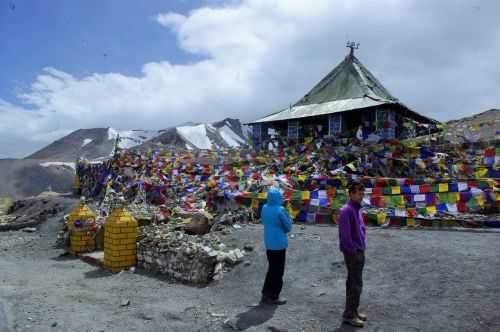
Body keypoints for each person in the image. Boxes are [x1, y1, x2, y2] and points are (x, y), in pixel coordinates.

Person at [338, 181, 367, 327]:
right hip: (353, 253)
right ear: (351, 194)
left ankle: (354, 311)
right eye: (359, 193)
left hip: (359, 249)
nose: (361, 196)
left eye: (362, 193)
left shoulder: (356, 209)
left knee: (357, 283)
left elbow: (360, 229)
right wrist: (353, 251)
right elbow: (345, 236)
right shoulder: (346, 211)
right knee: (354, 284)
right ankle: (349, 315)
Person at [260, 187, 293, 305]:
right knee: (278, 271)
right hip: (279, 244)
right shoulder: (281, 210)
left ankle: (265, 293)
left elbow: (264, 221)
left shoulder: (264, 208)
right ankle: (274, 296)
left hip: (269, 242)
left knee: (271, 269)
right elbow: (288, 227)